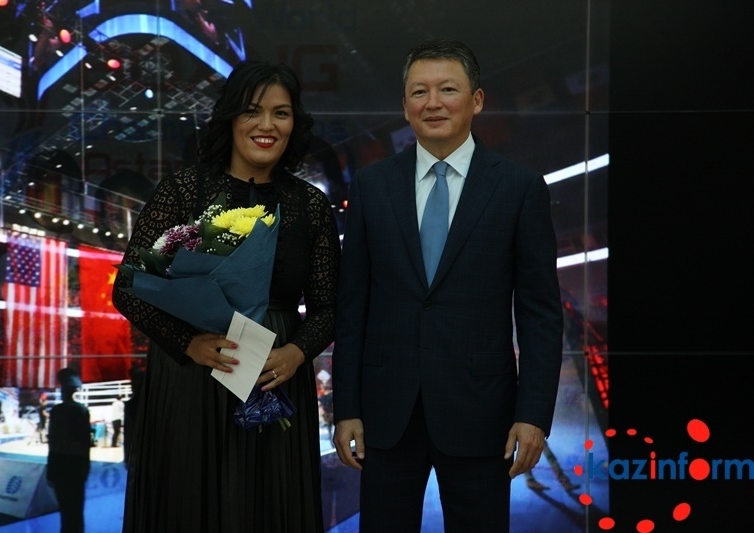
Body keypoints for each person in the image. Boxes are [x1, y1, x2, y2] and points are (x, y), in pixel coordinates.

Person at [332, 38, 563, 533]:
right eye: (420, 91)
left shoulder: (519, 188)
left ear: (476, 100)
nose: (432, 103)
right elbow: (353, 306)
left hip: (481, 413)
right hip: (386, 414)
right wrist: (345, 407)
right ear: (405, 106)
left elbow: (540, 313)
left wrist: (533, 415)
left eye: (448, 89)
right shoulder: (372, 186)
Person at [112, 60, 340, 533]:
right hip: (191, 379)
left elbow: (329, 306)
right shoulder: (184, 191)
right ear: (230, 117)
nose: (266, 125)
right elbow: (130, 288)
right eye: (252, 110)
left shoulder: (310, 204)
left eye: (281, 113)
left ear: (294, 123)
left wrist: (297, 353)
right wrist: (188, 343)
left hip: (276, 378)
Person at [47, 368, 92, 533]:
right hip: (76, 464)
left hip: (60, 464)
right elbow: (85, 442)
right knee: (76, 508)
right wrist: (85, 466)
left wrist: (51, 469)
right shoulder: (81, 410)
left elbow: (53, 442)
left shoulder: (56, 411)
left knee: (65, 508)